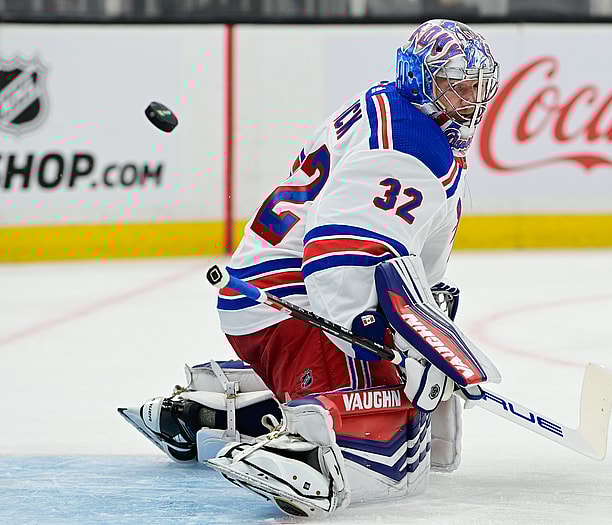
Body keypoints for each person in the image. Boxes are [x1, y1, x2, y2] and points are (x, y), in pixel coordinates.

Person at [119, 19, 501, 518]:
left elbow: (384, 245)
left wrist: (424, 312)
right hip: (297, 303)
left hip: (275, 294)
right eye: (454, 85)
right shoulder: (408, 146)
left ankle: (211, 412)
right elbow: (339, 257)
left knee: (417, 405)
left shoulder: (397, 111)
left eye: (477, 88)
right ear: (419, 79)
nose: (469, 101)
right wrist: (392, 336)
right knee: (394, 448)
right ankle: (304, 450)